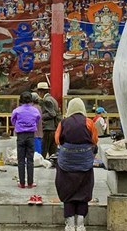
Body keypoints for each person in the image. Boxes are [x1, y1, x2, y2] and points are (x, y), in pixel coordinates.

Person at [55, 98, 98, 231]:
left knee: (67, 190)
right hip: (84, 162)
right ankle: (80, 222)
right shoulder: (89, 122)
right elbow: (94, 140)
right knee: (83, 190)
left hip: (66, 163)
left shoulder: (64, 122)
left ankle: (69, 223)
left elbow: (57, 140)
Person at [11, 91, 41, 189]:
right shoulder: (35, 110)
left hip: (20, 135)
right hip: (30, 135)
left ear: (20, 100)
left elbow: (13, 121)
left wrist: (19, 125)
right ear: (31, 100)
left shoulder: (17, 110)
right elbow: (37, 119)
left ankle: (22, 183)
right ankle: (30, 182)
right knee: (30, 160)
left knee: (20, 160)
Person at [38, 81, 61, 159]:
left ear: (41, 91)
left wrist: (41, 116)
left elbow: (52, 113)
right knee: (52, 151)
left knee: (44, 150)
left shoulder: (47, 100)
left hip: (48, 128)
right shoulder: (52, 99)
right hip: (54, 128)